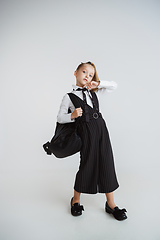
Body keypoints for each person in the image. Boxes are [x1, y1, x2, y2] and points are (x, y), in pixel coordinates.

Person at [57, 61, 127, 221]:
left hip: (102, 132)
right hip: (86, 134)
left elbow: (114, 86)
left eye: (90, 75)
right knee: (87, 164)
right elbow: (60, 117)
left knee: (106, 163)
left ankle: (111, 204)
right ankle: (75, 200)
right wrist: (71, 116)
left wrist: (98, 83)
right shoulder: (69, 97)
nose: (87, 77)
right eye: (84, 72)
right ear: (75, 72)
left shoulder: (95, 93)